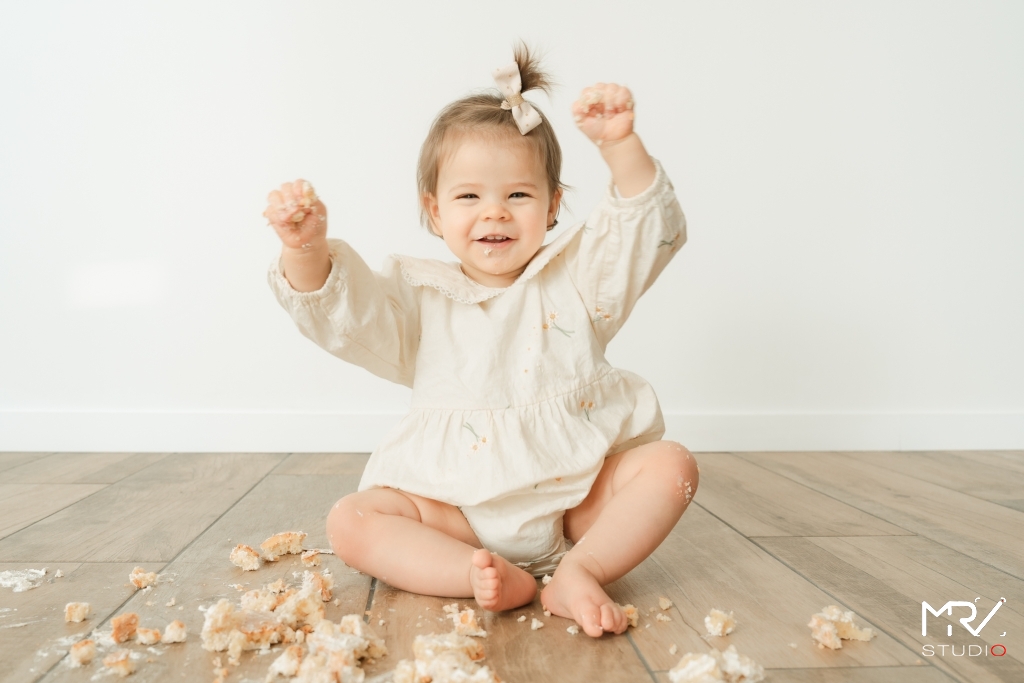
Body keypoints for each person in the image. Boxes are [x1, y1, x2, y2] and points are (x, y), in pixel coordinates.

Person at [264, 44, 698, 638]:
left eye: (518, 195)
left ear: (552, 207)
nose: (493, 212)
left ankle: (582, 570)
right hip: (457, 512)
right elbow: (348, 316)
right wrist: (305, 249)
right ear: (434, 212)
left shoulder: (577, 280)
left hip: (575, 504)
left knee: (670, 464)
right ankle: (473, 572)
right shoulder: (417, 296)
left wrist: (620, 147)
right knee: (352, 521)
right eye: (468, 196)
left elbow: (638, 232)